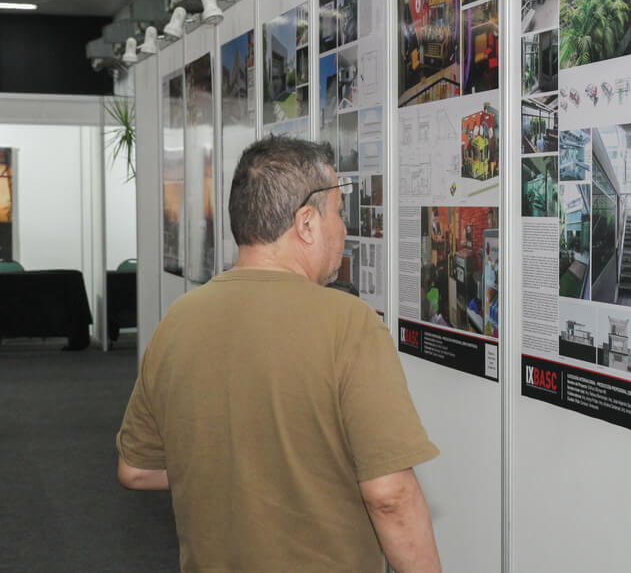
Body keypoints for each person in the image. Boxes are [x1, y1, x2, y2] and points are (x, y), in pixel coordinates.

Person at [116, 136, 441, 572]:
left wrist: (239, 470)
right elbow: (390, 496)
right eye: (340, 214)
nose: (344, 231)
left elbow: (135, 469)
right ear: (306, 223)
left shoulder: (178, 320)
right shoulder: (348, 323)